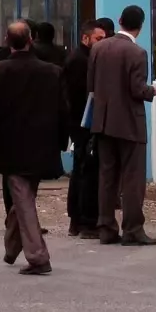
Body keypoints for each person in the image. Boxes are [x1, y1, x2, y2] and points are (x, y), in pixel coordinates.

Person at [0, 21, 69, 276]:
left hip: (9, 146)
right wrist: (62, 141)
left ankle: (38, 257)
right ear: (30, 39)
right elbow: (64, 111)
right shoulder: (52, 72)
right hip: (42, 145)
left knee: (23, 200)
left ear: (7, 40)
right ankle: (11, 247)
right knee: (24, 197)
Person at [88, 5, 156, 246]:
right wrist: (153, 91)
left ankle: (106, 228)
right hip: (129, 123)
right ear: (141, 26)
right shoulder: (137, 53)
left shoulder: (98, 48)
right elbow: (137, 89)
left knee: (107, 176)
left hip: (103, 121)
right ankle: (133, 229)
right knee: (132, 178)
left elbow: (92, 84)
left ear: (119, 21)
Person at [64, 20, 106, 238]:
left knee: (81, 170)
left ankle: (77, 220)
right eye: (98, 39)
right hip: (83, 124)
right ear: (85, 38)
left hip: (81, 123)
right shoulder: (81, 61)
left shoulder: (84, 58)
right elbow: (82, 96)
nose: (102, 43)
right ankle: (85, 222)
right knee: (87, 172)